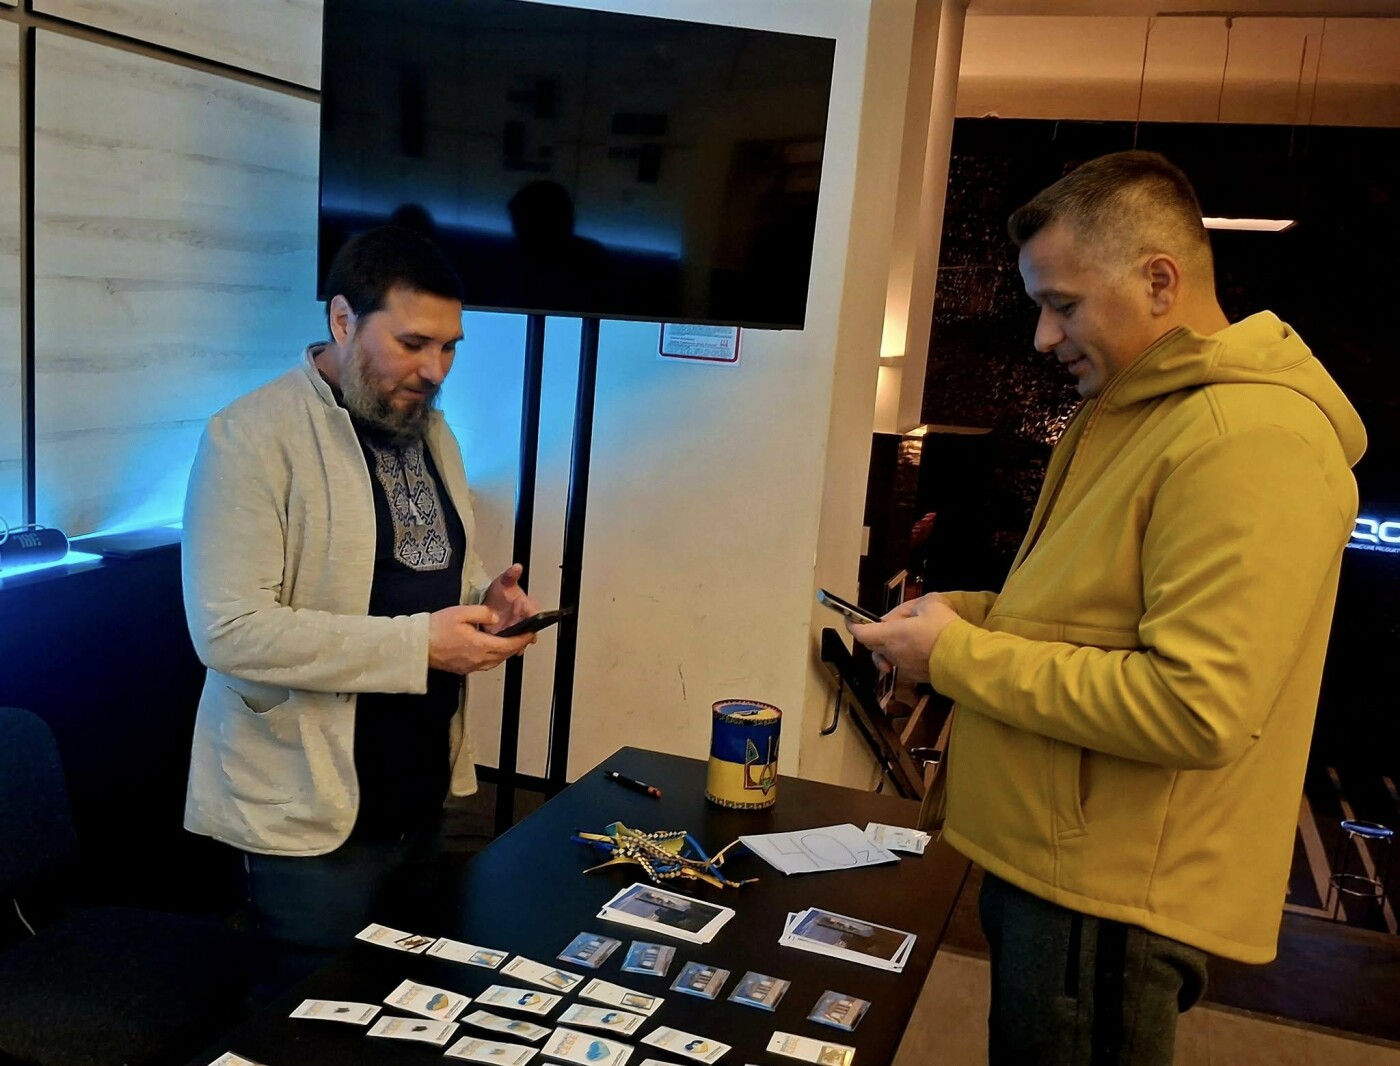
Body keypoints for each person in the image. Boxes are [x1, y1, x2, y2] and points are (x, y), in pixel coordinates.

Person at [849, 151, 1365, 1065]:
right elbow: (1089, 610)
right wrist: (964, 616)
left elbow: (1193, 705)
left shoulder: (1249, 439)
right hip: (1058, 863)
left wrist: (958, 657)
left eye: (1063, 304)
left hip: (1107, 892)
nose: (1043, 337)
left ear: (1160, 281)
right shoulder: (1137, 412)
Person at [181, 225, 540, 995]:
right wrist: (420, 647)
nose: (434, 369)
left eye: (449, 347)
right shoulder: (249, 437)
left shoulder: (430, 429)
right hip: (308, 817)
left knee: (412, 1008)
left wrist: (486, 602)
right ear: (343, 319)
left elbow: (433, 572)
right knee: (313, 1021)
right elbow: (228, 630)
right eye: (413, 343)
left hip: (425, 793)